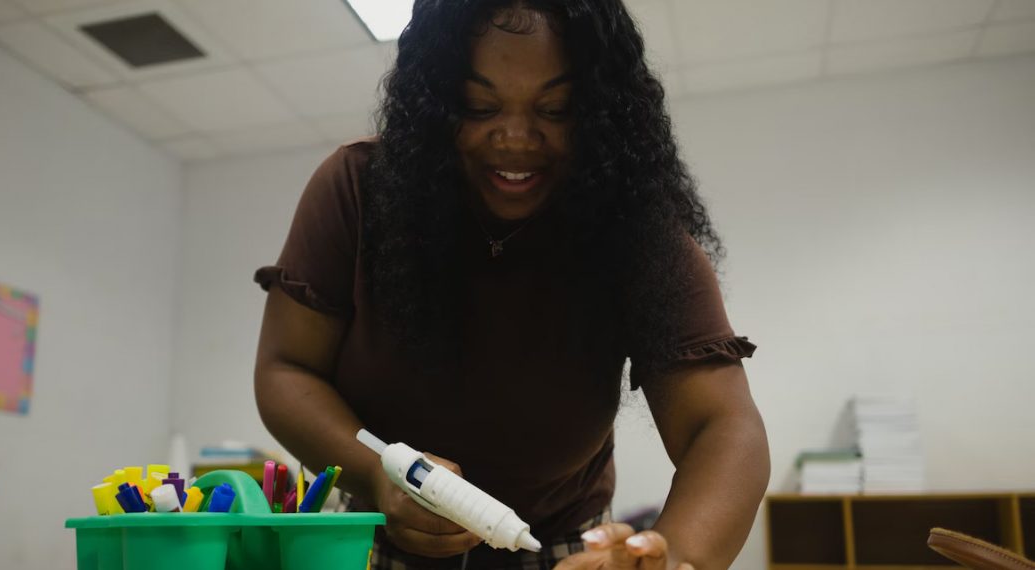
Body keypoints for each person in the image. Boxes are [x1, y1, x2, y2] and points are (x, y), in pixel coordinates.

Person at [253, 1, 770, 568]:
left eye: (556, 108)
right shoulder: (359, 188)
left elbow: (721, 426)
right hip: (376, 528)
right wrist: (377, 476)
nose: (516, 138)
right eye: (479, 106)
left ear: (600, 112)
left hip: (562, 539)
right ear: (434, 103)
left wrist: (676, 559)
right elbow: (287, 369)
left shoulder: (634, 223)